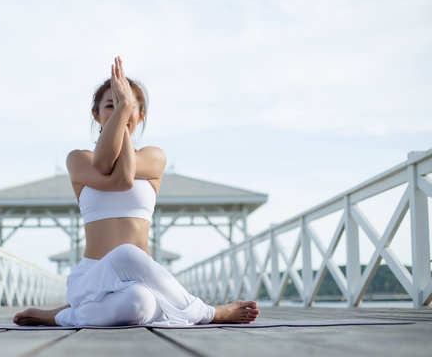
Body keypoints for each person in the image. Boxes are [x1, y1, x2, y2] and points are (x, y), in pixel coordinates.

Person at [13, 57, 260, 326]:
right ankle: (208, 312)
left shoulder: (154, 157)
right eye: (110, 105)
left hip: (141, 279)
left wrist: (120, 115)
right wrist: (125, 107)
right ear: (96, 114)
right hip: (93, 276)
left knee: (139, 304)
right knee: (125, 253)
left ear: (141, 115)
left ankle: (62, 315)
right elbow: (112, 171)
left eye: (128, 105)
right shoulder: (78, 159)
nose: (119, 109)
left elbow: (120, 171)